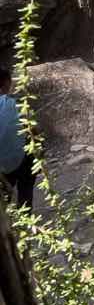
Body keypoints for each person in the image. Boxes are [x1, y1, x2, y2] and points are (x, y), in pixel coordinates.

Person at [0, 68, 34, 210]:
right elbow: (33, 131)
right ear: (6, 83)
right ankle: (26, 214)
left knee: (3, 197)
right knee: (25, 190)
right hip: (21, 160)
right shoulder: (16, 103)